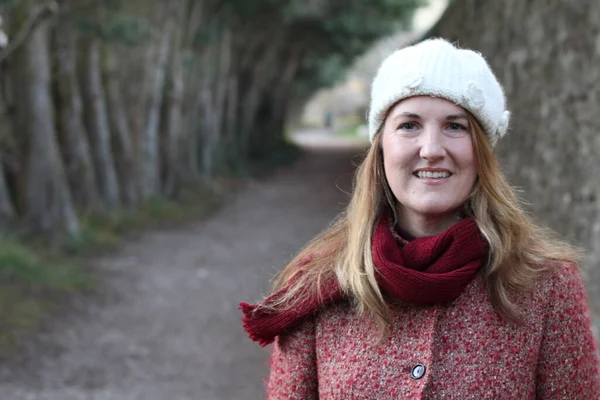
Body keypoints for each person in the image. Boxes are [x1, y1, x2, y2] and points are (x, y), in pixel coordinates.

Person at [239, 38, 600, 399]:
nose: (431, 150)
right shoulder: (318, 283)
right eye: (409, 125)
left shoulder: (546, 286)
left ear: (483, 153)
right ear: (381, 147)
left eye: (455, 127)